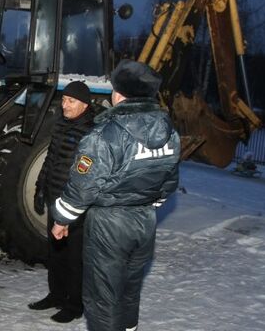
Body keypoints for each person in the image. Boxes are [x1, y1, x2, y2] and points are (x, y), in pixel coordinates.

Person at [51, 59, 180, 331]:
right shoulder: (170, 132)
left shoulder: (105, 134)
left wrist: (62, 219)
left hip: (109, 224)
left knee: (102, 298)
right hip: (144, 222)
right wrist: (147, 204)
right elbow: (169, 181)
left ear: (118, 95)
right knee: (128, 292)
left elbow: (83, 186)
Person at [28, 81, 97, 323]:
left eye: (70, 101)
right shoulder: (61, 126)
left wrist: (74, 202)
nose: (64, 105)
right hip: (54, 198)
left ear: (84, 105)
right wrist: (39, 188)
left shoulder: (91, 132)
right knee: (55, 252)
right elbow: (50, 160)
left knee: (74, 256)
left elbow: (87, 174)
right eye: (64, 100)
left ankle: (74, 304)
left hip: (75, 205)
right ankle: (56, 295)